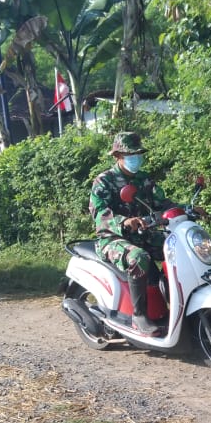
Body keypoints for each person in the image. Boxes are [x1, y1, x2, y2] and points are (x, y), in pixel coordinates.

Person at [89, 132, 177, 335]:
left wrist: (186, 209)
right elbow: (100, 214)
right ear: (118, 156)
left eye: (138, 154)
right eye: (131, 154)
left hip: (143, 235)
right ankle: (139, 316)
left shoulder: (144, 179)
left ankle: (179, 305)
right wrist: (124, 222)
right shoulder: (104, 181)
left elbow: (162, 203)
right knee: (139, 257)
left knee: (177, 246)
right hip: (112, 238)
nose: (136, 158)